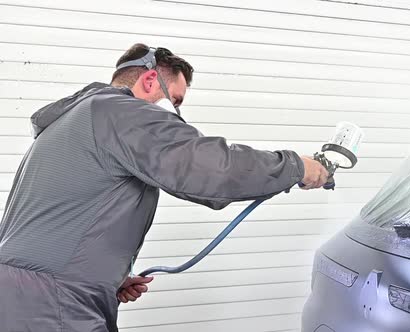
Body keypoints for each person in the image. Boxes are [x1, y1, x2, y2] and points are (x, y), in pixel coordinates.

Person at [0, 43, 329, 332]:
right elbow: (210, 170)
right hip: (52, 304)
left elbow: (58, 223)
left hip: (30, 298)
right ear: (148, 80)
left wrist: (103, 275)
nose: (177, 112)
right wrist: (295, 166)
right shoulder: (116, 111)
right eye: (175, 99)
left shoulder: (73, 122)